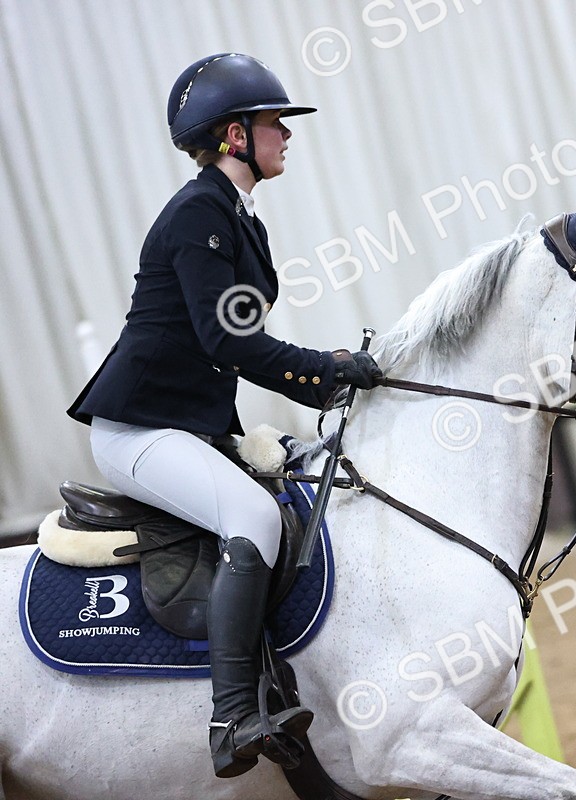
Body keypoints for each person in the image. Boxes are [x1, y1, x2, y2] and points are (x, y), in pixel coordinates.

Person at [66, 53, 383, 778]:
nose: (287, 135)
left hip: (187, 425)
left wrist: (330, 380)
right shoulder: (198, 214)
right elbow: (226, 340)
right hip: (138, 429)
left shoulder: (240, 221)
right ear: (234, 135)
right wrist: (325, 368)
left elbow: (235, 344)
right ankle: (232, 715)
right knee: (255, 517)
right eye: (275, 123)